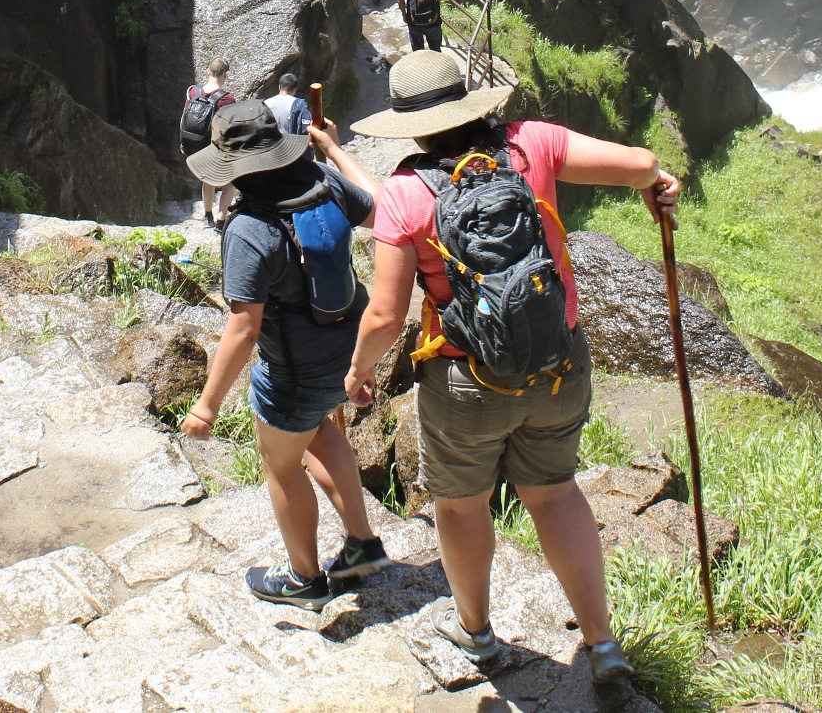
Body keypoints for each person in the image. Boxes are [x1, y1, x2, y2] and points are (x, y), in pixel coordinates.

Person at [343, 50, 680, 693]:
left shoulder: (408, 193)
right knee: (554, 493)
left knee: (462, 507)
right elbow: (641, 164)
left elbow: (386, 314)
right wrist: (658, 186)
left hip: (466, 380)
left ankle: (476, 633)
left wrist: (359, 373)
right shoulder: (534, 145)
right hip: (558, 363)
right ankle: (602, 645)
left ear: (410, 127)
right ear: (471, 101)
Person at [182, 100, 390, 610]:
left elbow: (243, 327)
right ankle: (362, 545)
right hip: (349, 352)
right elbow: (383, 210)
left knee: (281, 465)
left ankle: (303, 578)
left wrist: (206, 406)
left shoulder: (250, 228)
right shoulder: (322, 181)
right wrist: (334, 151)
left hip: (295, 373)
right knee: (321, 430)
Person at [180, 58, 237, 227]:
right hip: (215, 148)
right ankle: (221, 220)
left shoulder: (192, 92)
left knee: (207, 179)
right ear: (226, 75)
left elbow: (184, 118)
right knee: (231, 182)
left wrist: (183, 142)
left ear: (207, 71)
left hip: (195, 146)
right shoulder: (227, 99)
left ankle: (207, 215)